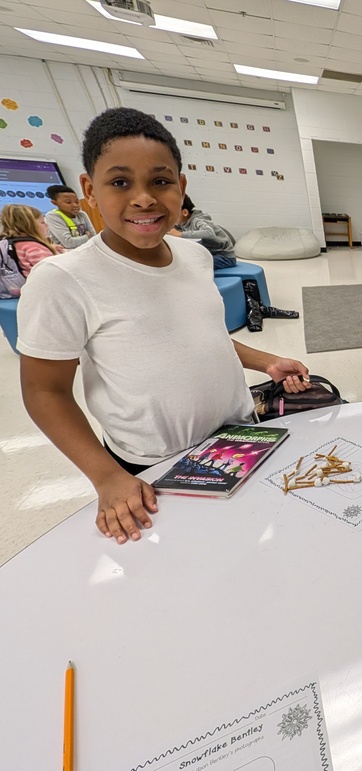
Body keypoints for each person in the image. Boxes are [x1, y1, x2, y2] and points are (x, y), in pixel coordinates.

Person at [17, 107, 312, 546]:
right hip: (151, 462)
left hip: (238, 434)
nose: (143, 198)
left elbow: (203, 336)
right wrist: (106, 477)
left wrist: (265, 360)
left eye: (160, 181)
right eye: (120, 182)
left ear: (181, 187)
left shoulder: (195, 256)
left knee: (253, 540)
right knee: (189, 559)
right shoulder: (63, 279)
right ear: (89, 190)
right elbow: (44, 392)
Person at [169, 195, 237, 269]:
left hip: (225, 257)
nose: (171, 217)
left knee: (193, 264)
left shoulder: (198, 221)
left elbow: (209, 233)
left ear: (185, 212)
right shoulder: (182, 224)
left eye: (174, 213)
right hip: (212, 254)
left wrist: (180, 234)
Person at [0, 204, 63, 276]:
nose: (47, 225)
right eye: (42, 222)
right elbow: (54, 273)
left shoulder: (6, 243)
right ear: (29, 225)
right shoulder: (36, 249)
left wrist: (50, 247)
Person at [44, 184, 96, 250]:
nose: (75, 205)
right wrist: (87, 236)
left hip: (87, 250)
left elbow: (94, 236)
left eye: (77, 202)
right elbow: (68, 243)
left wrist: (88, 237)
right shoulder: (52, 216)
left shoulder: (82, 214)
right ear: (55, 203)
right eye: (68, 202)